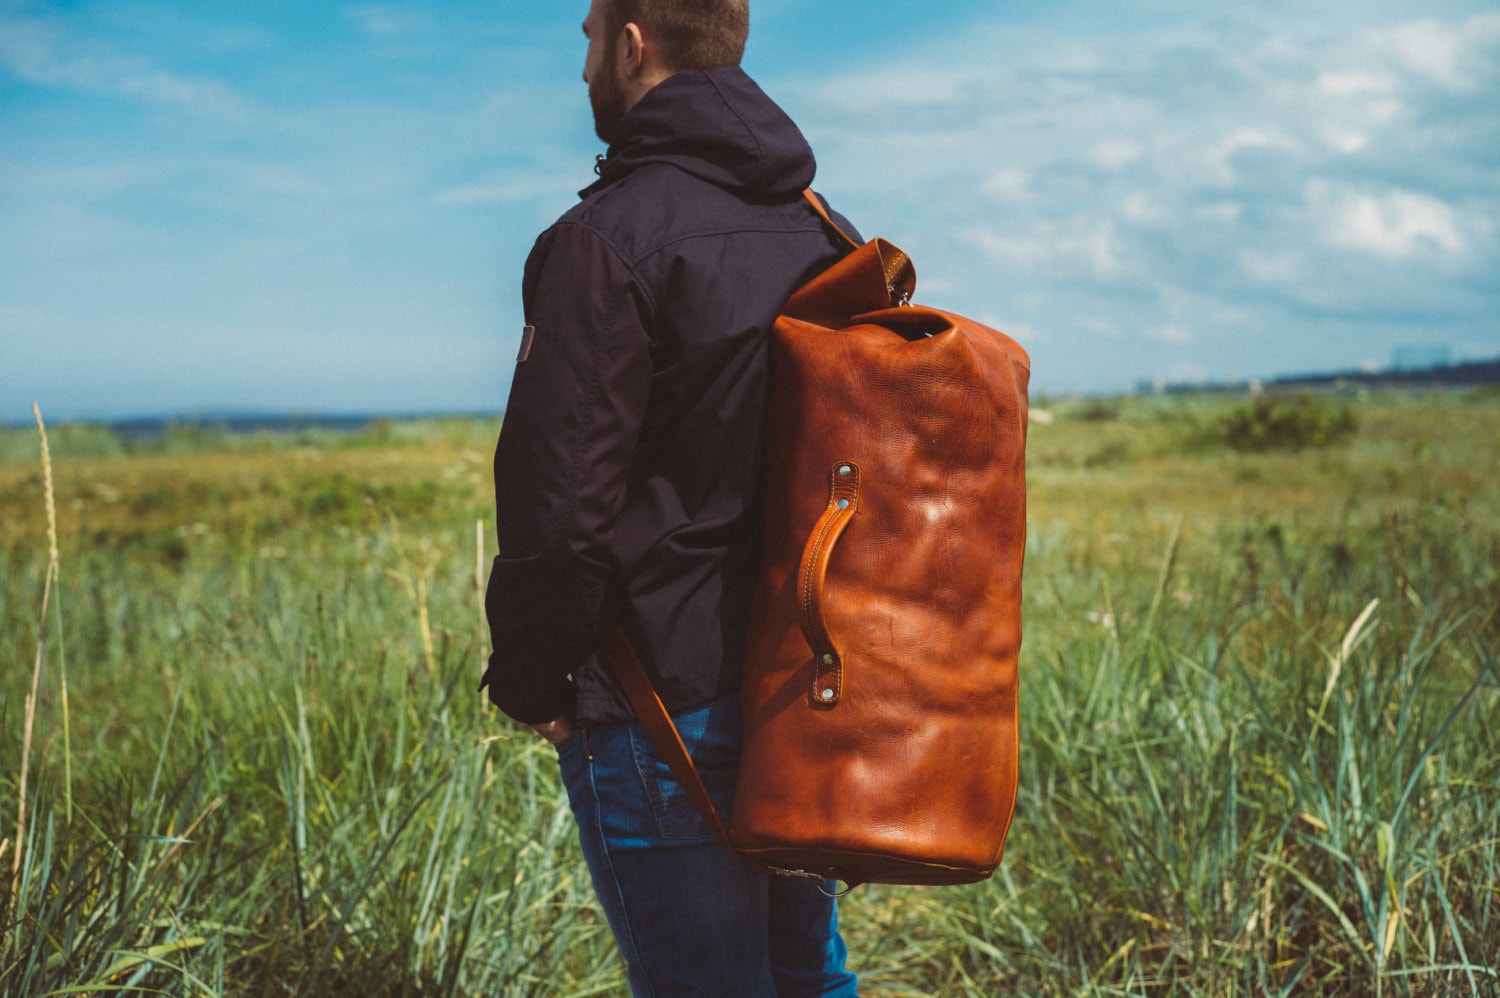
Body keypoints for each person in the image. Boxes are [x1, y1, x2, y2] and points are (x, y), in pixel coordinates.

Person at [479, 0, 862, 994]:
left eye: (588, 42)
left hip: (656, 710)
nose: (582, 72)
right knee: (807, 978)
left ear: (634, 44)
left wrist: (533, 680)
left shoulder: (603, 242)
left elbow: (557, 508)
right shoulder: (827, 234)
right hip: (807, 686)